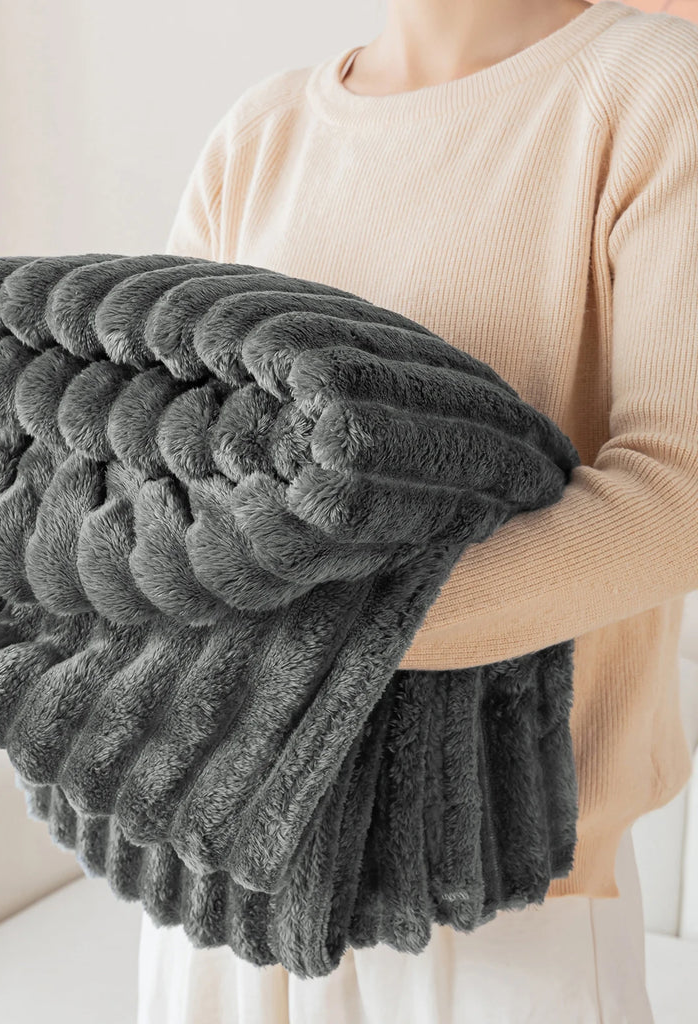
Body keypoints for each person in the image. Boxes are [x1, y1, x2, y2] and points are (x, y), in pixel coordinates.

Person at [138, 1, 698, 1021]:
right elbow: (161, 472)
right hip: (216, 884)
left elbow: (676, 496)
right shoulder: (259, 136)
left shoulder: (655, 89)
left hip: (498, 903)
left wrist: (297, 629)